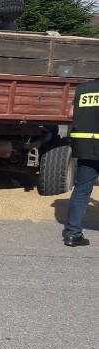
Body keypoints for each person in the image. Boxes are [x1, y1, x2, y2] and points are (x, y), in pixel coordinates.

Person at [62, 76, 99, 247]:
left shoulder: (83, 89)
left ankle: (72, 234)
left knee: (82, 191)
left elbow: (70, 113)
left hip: (85, 148)